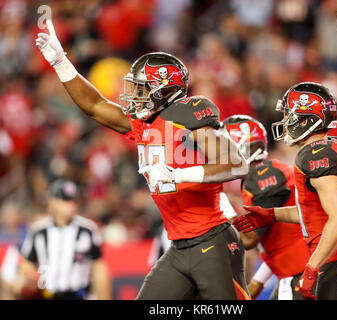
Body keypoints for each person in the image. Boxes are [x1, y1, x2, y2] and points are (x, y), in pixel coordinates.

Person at [35, 19, 250, 300]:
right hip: (178, 245)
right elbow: (95, 105)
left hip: (212, 241)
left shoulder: (188, 113)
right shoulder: (143, 123)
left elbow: (235, 163)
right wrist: (61, 62)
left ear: (163, 90)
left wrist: (178, 175)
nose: (133, 95)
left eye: (141, 88)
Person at [233, 82, 337, 300]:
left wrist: (311, 268)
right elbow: (314, 212)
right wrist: (273, 214)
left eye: (290, 115)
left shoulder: (313, 155)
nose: (286, 122)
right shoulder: (335, 145)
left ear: (308, 119)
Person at [221, 115, 309, 300]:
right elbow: (278, 239)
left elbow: (247, 239)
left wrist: (219, 200)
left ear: (244, 148)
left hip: (303, 275)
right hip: (296, 272)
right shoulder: (258, 175)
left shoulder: (264, 176)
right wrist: (258, 282)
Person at [16, 179, 111, 300]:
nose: (71, 205)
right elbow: (27, 266)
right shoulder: (39, 231)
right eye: (65, 200)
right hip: (47, 295)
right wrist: (24, 283)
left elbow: (99, 269)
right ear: (52, 202)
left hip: (78, 295)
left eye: (73, 200)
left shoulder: (87, 229)